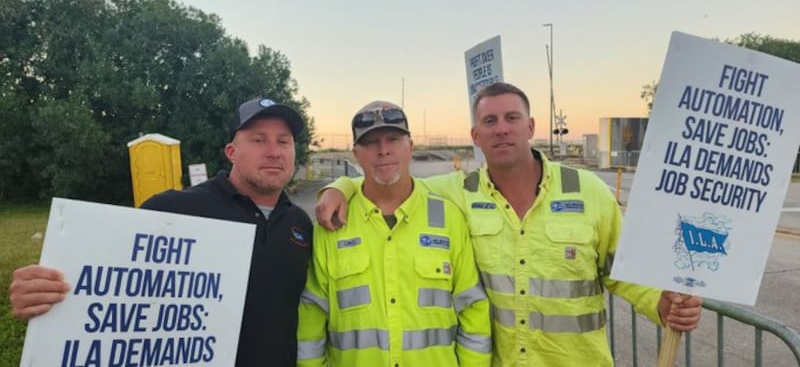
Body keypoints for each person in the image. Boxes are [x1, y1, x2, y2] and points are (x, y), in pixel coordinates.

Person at [315, 83, 703, 366]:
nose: (501, 128)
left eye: (511, 118)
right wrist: (341, 186)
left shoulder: (588, 191)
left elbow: (626, 267)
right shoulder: (454, 194)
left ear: (530, 126)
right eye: (490, 120)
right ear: (475, 135)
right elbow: (390, 182)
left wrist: (659, 301)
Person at [9, 97, 313, 367]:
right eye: (259, 140)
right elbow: (105, 287)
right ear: (231, 151)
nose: (274, 152)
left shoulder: (300, 224)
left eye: (283, 141)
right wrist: (40, 293)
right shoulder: (171, 211)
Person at [297, 100, 491, 367]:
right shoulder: (332, 222)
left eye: (393, 139)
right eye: (371, 142)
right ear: (356, 154)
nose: (383, 150)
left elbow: (472, 308)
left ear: (410, 147)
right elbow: (312, 314)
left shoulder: (448, 218)